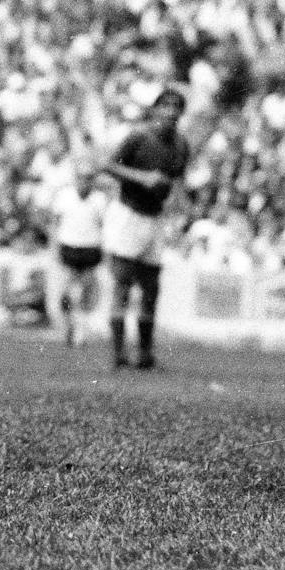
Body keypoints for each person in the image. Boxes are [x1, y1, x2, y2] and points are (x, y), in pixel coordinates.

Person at [100, 88, 190, 371]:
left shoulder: (180, 145)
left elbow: (177, 182)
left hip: (155, 218)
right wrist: (142, 177)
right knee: (123, 284)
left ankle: (145, 353)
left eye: (177, 107)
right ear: (156, 109)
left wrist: (177, 209)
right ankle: (118, 353)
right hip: (129, 214)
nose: (171, 112)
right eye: (165, 106)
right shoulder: (139, 136)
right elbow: (108, 165)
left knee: (151, 287)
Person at [49, 168, 110, 348]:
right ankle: (70, 326)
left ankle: (80, 331)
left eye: (88, 179)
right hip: (68, 248)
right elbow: (55, 223)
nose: (85, 183)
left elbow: (104, 226)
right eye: (82, 178)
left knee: (84, 293)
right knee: (67, 293)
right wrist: (54, 248)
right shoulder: (64, 196)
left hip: (90, 249)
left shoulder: (99, 199)